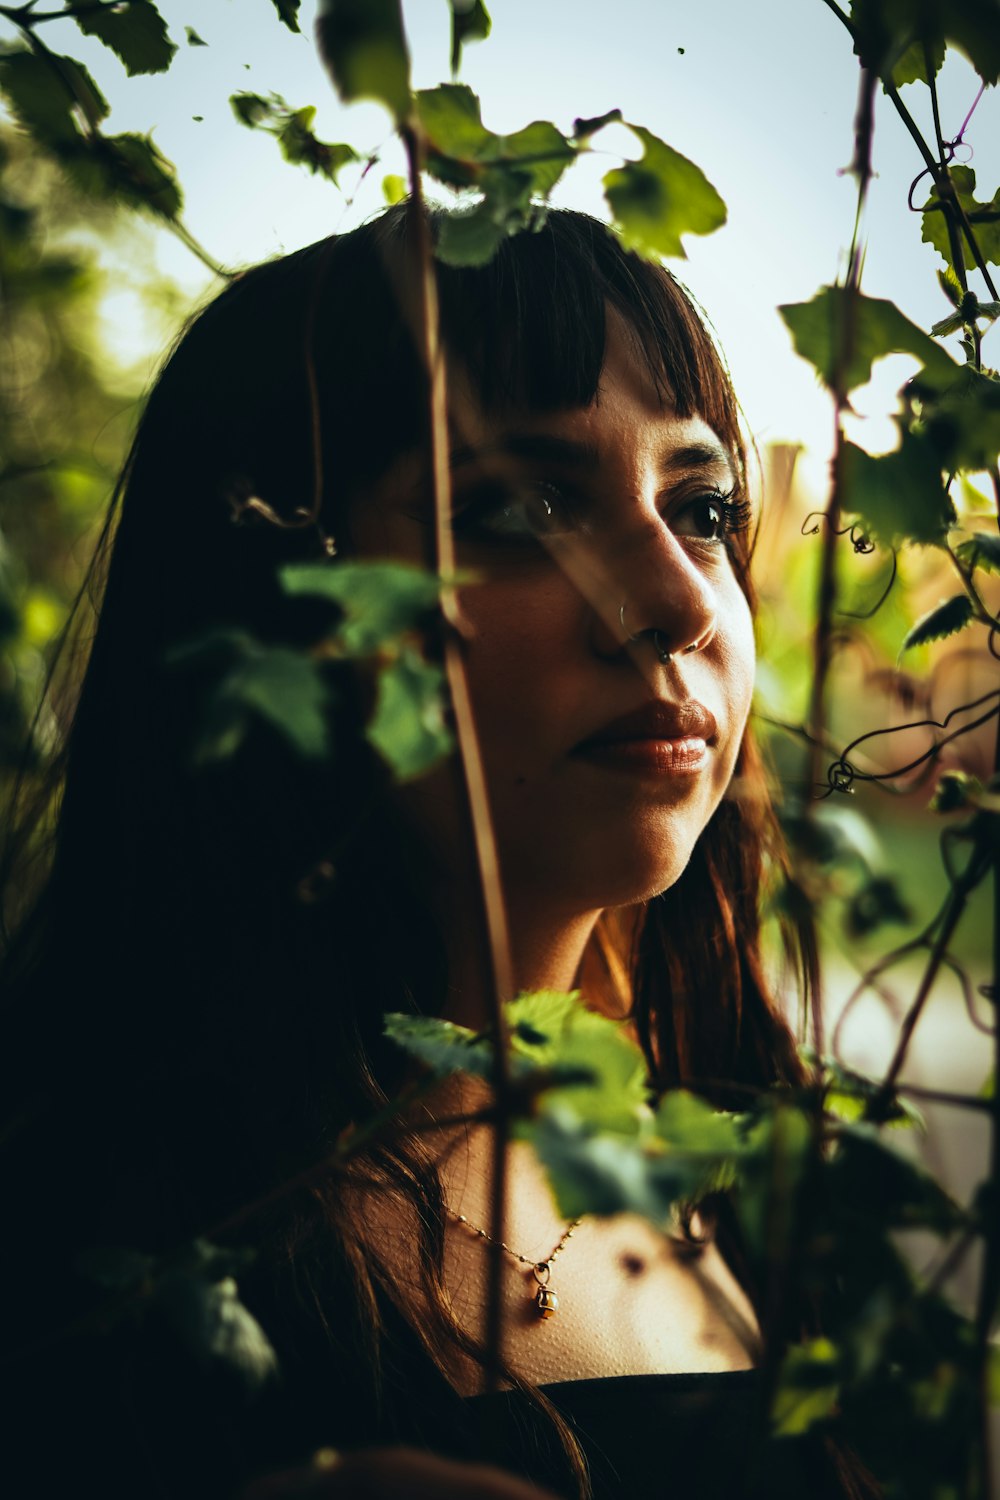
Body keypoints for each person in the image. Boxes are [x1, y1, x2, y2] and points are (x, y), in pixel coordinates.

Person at [0, 203, 876, 1499]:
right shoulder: (85, 1245)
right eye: (523, 507)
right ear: (282, 615)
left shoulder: (766, 1170)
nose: (684, 602)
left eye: (704, 507)